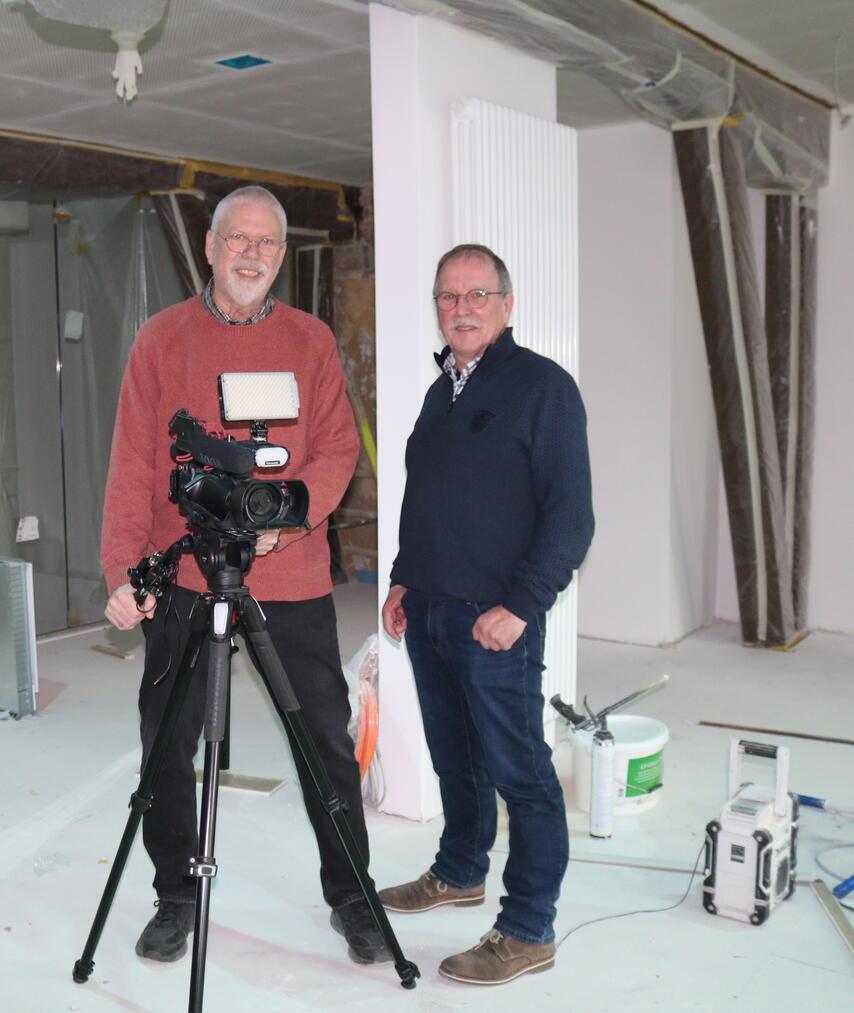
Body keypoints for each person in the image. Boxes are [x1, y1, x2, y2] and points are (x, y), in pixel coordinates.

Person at [100, 185, 385, 965]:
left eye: (266, 242)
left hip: (291, 578)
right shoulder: (161, 339)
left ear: (281, 255)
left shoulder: (310, 340)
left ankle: (354, 896)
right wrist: (126, 569)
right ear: (211, 246)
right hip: (187, 575)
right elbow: (133, 461)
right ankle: (176, 894)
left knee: (323, 741)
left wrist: (288, 518)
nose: (251, 254)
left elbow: (338, 449)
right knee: (167, 739)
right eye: (237, 238)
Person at [379, 243, 594, 985]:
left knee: (521, 775)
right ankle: (460, 870)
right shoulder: (442, 390)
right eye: (449, 296)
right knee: (456, 760)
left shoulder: (543, 387)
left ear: (507, 304)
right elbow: (428, 496)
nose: (462, 308)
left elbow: (571, 517)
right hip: (431, 611)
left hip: (493, 623)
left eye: (477, 294)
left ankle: (528, 928)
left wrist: (522, 606)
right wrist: (404, 579)